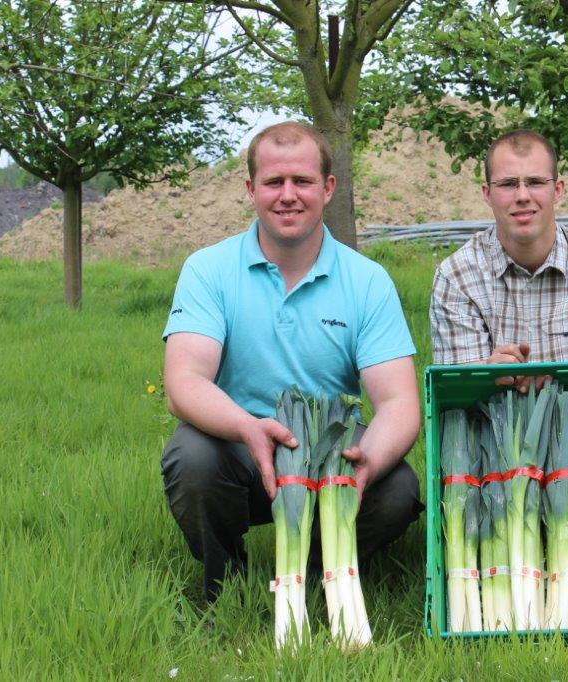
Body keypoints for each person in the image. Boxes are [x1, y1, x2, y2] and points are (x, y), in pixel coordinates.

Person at [160, 122, 422, 601]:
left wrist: (368, 461)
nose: (287, 196)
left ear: (327, 188)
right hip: (238, 446)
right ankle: (227, 583)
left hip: (329, 451)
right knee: (191, 458)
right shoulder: (208, 269)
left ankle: (321, 573)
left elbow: (400, 401)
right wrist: (246, 428)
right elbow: (184, 381)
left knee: (399, 487)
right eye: (273, 182)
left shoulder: (367, 280)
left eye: (301, 182)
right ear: (250, 190)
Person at [430, 129, 568, 486]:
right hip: (492, 424)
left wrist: (555, 386)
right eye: (508, 184)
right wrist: (485, 372)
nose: (523, 196)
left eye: (535, 182)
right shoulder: (456, 276)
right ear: (487, 194)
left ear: (558, 189)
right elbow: (453, 400)